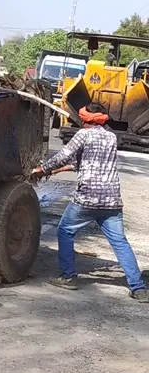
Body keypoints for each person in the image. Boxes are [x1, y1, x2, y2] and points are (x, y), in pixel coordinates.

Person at [32, 103, 148, 301]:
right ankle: (138, 288)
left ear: (84, 119)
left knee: (65, 231)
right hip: (111, 200)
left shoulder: (83, 135)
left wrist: (42, 169)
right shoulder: (111, 137)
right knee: (120, 242)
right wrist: (56, 171)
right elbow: (82, 163)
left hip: (87, 198)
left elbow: (64, 156)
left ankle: (68, 277)